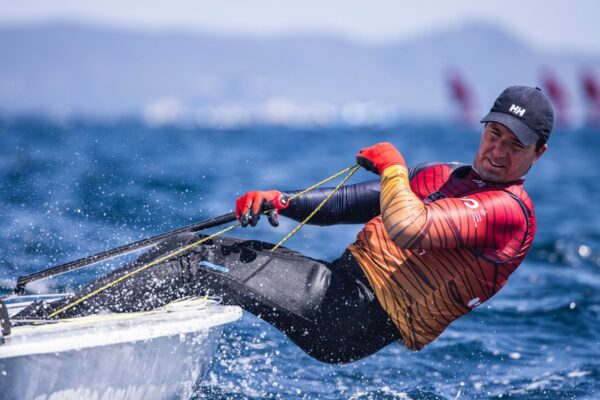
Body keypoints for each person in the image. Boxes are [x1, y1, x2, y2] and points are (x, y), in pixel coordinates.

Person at [18, 85, 554, 364]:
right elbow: (352, 202)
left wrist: (393, 166)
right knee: (190, 247)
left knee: (193, 260)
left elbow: (410, 227)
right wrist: (283, 200)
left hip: (356, 318)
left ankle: (47, 323)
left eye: (516, 145)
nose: (499, 152)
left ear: (538, 154)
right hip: (336, 286)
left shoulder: (509, 212)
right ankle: (82, 314)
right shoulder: (442, 175)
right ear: (483, 128)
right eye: (495, 135)